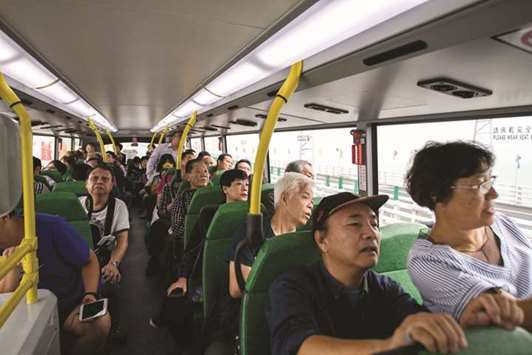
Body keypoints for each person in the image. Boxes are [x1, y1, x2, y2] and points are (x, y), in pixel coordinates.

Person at [267, 192, 467, 355]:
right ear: (322, 241)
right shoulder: (291, 287)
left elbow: (419, 322)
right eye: (355, 224)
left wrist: (463, 317)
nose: (371, 233)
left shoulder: (385, 288)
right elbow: (302, 347)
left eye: (375, 224)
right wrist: (389, 346)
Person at [406, 141, 532, 331]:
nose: (494, 194)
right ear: (436, 194)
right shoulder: (428, 262)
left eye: (491, 181)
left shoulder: (503, 223)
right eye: (481, 185)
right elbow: (511, 314)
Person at [0, 211, 110, 355]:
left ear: (5, 215)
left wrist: (90, 293)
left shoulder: (51, 227)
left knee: (100, 324)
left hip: (68, 305)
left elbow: (89, 260)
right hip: (25, 314)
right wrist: (13, 270)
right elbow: (4, 297)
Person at [229, 172, 314, 298]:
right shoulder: (253, 231)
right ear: (284, 199)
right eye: (305, 197)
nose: (311, 205)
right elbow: (236, 288)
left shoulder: (305, 239)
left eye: (312, 200)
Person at [166, 169, 249, 297]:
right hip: (209, 272)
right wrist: (183, 277)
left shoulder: (254, 215)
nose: (245, 188)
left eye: (247, 184)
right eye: (239, 184)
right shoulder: (209, 214)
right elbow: (192, 248)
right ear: (225, 189)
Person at [79, 164, 130, 343]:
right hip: (79, 257)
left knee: (110, 282)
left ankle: (113, 327)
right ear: (86, 184)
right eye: (94, 178)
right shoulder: (77, 205)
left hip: (104, 258)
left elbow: (123, 240)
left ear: (112, 184)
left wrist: (113, 263)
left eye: (105, 179)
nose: (99, 182)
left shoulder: (118, 206)